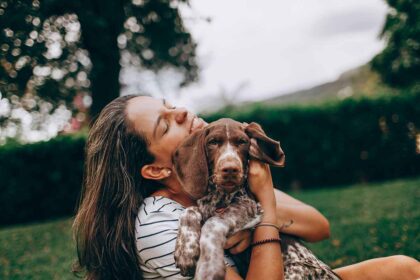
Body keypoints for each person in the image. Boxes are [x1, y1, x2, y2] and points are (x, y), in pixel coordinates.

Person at [73, 94, 420, 280]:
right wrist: (265, 207)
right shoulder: (159, 222)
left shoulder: (228, 177)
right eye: (165, 125)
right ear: (155, 168)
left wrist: (253, 216)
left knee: (403, 270)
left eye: (169, 105)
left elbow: (319, 226)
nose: (180, 111)